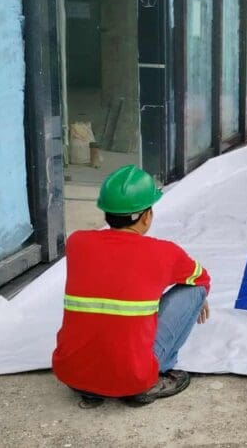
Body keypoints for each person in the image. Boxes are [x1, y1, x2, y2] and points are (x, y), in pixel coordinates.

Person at [52, 165, 211, 408]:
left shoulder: (77, 243)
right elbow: (202, 279)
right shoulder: (164, 253)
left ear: (105, 211)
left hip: (72, 375)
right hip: (135, 378)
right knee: (194, 290)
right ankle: (151, 378)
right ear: (147, 216)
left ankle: (93, 388)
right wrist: (200, 298)